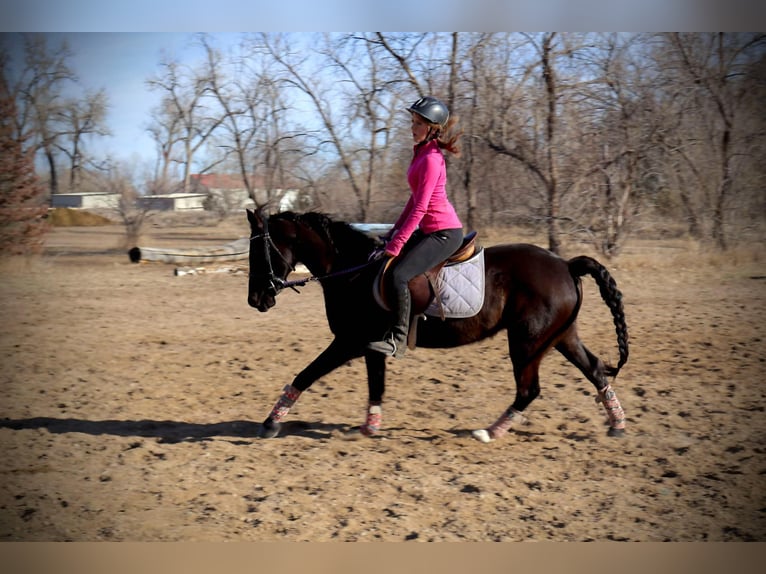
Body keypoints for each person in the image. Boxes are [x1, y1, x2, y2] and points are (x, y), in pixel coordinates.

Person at [367, 96, 464, 358]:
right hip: (431, 230)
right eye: (412, 121)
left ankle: (398, 341)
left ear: (432, 128)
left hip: (445, 234)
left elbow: (421, 208)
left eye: (418, 123)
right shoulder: (421, 153)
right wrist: (392, 233)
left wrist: (397, 244)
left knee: (400, 275)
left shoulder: (432, 158)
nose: (412, 127)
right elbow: (413, 201)